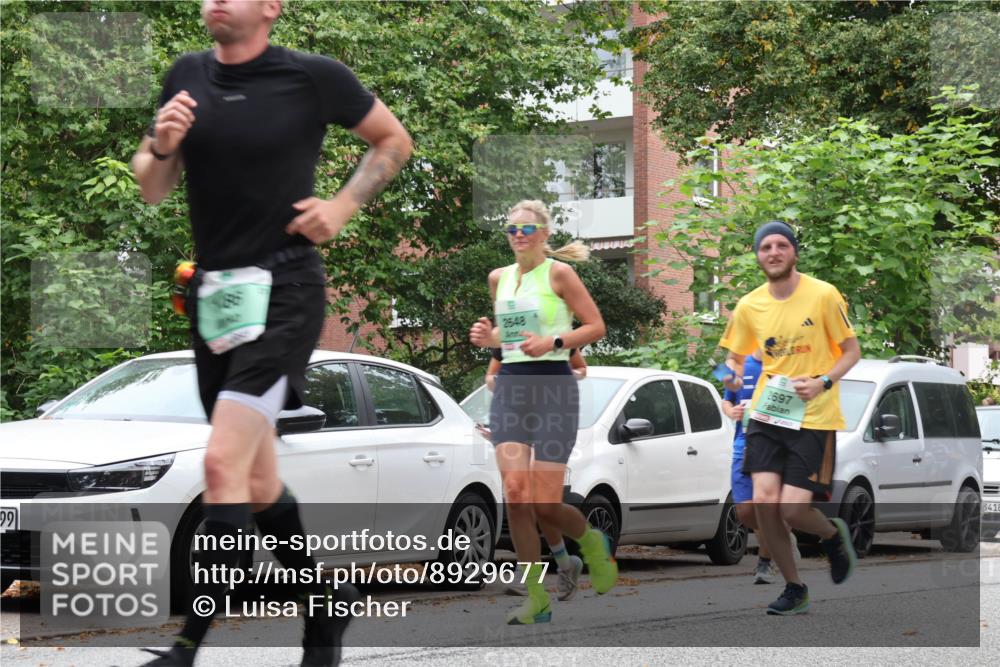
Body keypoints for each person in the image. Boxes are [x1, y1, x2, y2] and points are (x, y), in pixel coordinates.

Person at [131, 1, 412, 664]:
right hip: (216, 297)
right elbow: (152, 187)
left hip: (286, 289)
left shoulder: (311, 76)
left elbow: (393, 141)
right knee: (255, 483)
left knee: (220, 463)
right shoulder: (186, 75)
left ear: (270, 8)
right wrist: (161, 144)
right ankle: (325, 605)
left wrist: (342, 205)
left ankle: (187, 644)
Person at [469, 200, 616, 625]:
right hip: (512, 389)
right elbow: (508, 337)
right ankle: (537, 598)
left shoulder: (560, 274)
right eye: (512, 229)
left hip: (554, 386)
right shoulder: (498, 278)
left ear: (543, 234)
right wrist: (488, 338)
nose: (518, 235)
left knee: (546, 504)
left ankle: (591, 543)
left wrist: (554, 343)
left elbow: (595, 326)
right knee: (516, 494)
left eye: (527, 229)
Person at [719, 220, 861, 616]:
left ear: (794, 252)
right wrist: (730, 380)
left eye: (781, 245)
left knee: (793, 510)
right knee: (764, 506)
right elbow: (733, 357)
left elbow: (852, 351)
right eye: (765, 247)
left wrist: (822, 382)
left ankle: (833, 536)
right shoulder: (749, 305)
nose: (774, 253)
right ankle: (795, 587)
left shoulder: (823, 295)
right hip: (768, 414)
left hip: (814, 417)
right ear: (757, 256)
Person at [486, 347, 588, 600]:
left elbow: (581, 368)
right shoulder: (507, 335)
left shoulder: (555, 336)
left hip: (552, 419)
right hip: (516, 421)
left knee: (542, 502)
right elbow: (490, 376)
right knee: (519, 495)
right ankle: (538, 571)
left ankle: (566, 561)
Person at [720, 348, 799, 585]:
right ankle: (782, 534)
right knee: (745, 513)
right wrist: (731, 411)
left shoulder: (787, 364)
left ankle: (765, 562)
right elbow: (727, 400)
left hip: (774, 446)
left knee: (766, 507)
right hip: (743, 444)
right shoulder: (742, 364)